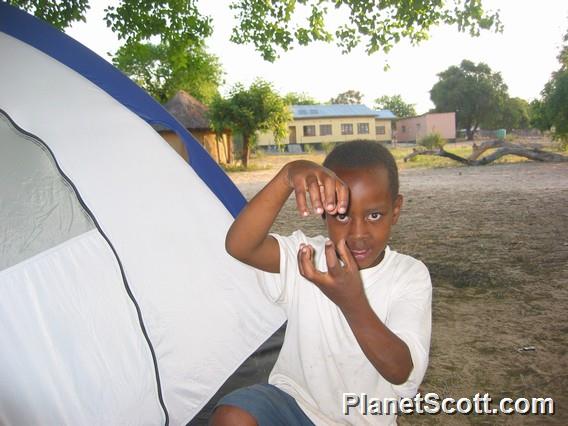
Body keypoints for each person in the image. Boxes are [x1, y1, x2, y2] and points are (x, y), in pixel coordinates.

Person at [210, 140, 432, 425]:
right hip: (294, 403)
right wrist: (287, 175)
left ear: (396, 210)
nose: (358, 233)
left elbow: (401, 371)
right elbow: (240, 246)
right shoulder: (308, 256)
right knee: (233, 417)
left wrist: (352, 303)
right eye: (342, 215)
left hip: (361, 420)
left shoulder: (409, 275)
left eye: (374, 215)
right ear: (324, 211)